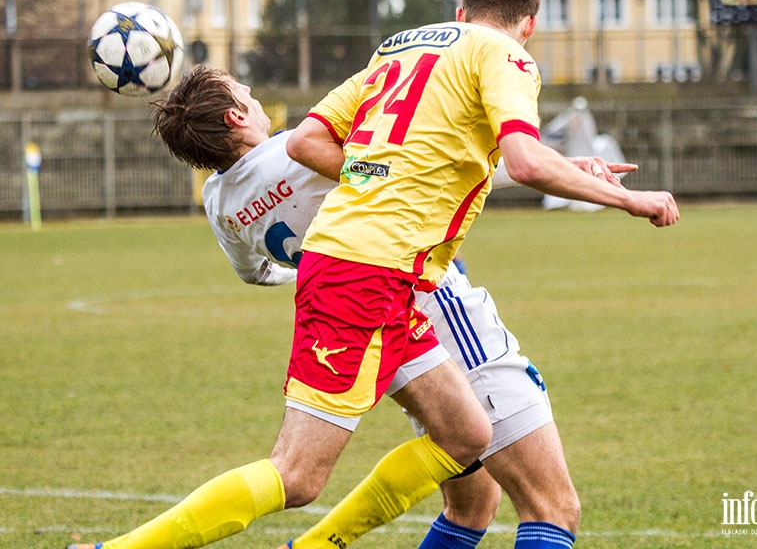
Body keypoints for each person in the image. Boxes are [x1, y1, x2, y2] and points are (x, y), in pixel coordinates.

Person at [283, 0, 678, 549]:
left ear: (461, 11)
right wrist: (627, 200)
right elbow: (521, 156)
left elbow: (327, 143)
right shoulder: (504, 54)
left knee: (474, 499)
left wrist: (565, 167)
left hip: (361, 267)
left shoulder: (404, 47)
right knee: (551, 505)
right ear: (531, 23)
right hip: (420, 285)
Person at [66, 68, 493, 549]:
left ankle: (312, 546)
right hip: (357, 301)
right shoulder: (301, 149)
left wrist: (302, 270)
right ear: (236, 115)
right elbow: (375, 172)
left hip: (378, 300)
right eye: (241, 90)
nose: (252, 90)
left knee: (467, 434)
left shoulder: (218, 198)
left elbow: (251, 271)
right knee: (297, 477)